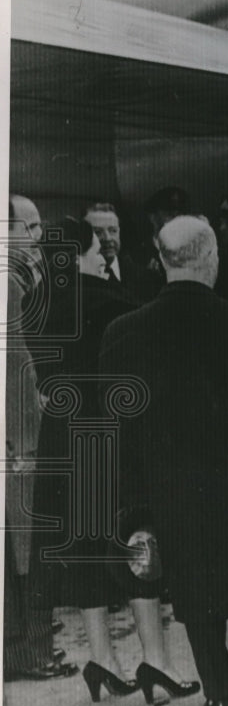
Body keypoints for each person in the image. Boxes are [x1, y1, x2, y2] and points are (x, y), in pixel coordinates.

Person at [99, 215, 228, 706]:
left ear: (162, 262)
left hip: (170, 485)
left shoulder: (124, 331)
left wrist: (134, 493)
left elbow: (117, 423)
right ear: (214, 257)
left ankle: (219, 692)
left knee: (194, 587)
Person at [28, 217, 196, 705]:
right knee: (136, 541)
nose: (104, 252)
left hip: (63, 441)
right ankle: (158, 663)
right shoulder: (109, 302)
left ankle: (102, 659)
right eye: (96, 246)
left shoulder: (31, 302)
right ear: (81, 253)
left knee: (83, 548)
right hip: (112, 440)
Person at [5, 195, 77, 681]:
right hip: (20, 443)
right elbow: (14, 367)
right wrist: (29, 424)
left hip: (17, 434)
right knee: (28, 551)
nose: (35, 239)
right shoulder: (10, 284)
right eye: (26, 228)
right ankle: (33, 654)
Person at [83, 201, 159, 300]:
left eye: (113, 230)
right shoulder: (80, 282)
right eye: (98, 232)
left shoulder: (146, 278)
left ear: (119, 232)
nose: (107, 238)